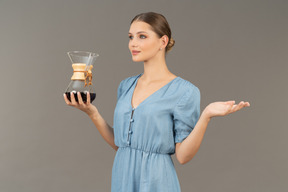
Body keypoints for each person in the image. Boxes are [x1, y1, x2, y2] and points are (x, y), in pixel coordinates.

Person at [63, 12, 250, 192]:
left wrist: (206, 115)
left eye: (142, 36)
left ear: (163, 41)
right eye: (130, 37)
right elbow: (122, 145)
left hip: (156, 182)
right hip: (122, 179)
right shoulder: (126, 85)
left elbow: (183, 156)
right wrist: (92, 113)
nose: (133, 44)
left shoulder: (184, 92)